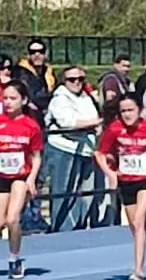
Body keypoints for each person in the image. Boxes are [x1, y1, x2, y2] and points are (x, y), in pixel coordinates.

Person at [95, 93, 146, 280]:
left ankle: (138, 271)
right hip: (126, 182)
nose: (127, 115)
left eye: (130, 110)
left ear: (139, 110)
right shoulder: (115, 129)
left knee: (138, 222)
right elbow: (100, 153)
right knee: (135, 227)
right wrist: (110, 174)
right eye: (123, 111)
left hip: (145, 181)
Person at [0, 80, 43, 280]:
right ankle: (11, 237)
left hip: (20, 177)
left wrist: (31, 179)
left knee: (12, 218)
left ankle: (15, 257)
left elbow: (36, 156)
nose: (8, 102)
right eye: (5, 98)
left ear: (24, 100)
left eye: (13, 98)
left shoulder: (31, 126)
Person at [44, 64, 106, 231]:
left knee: (85, 192)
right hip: (64, 149)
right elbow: (68, 123)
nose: (77, 82)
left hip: (86, 149)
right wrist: (94, 123)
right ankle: (61, 229)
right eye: (72, 79)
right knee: (63, 192)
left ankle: (78, 226)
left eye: (80, 79)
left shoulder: (86, 98)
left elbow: (92, 119)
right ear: (64, 81)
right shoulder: (59, 99)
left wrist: (94, 125)